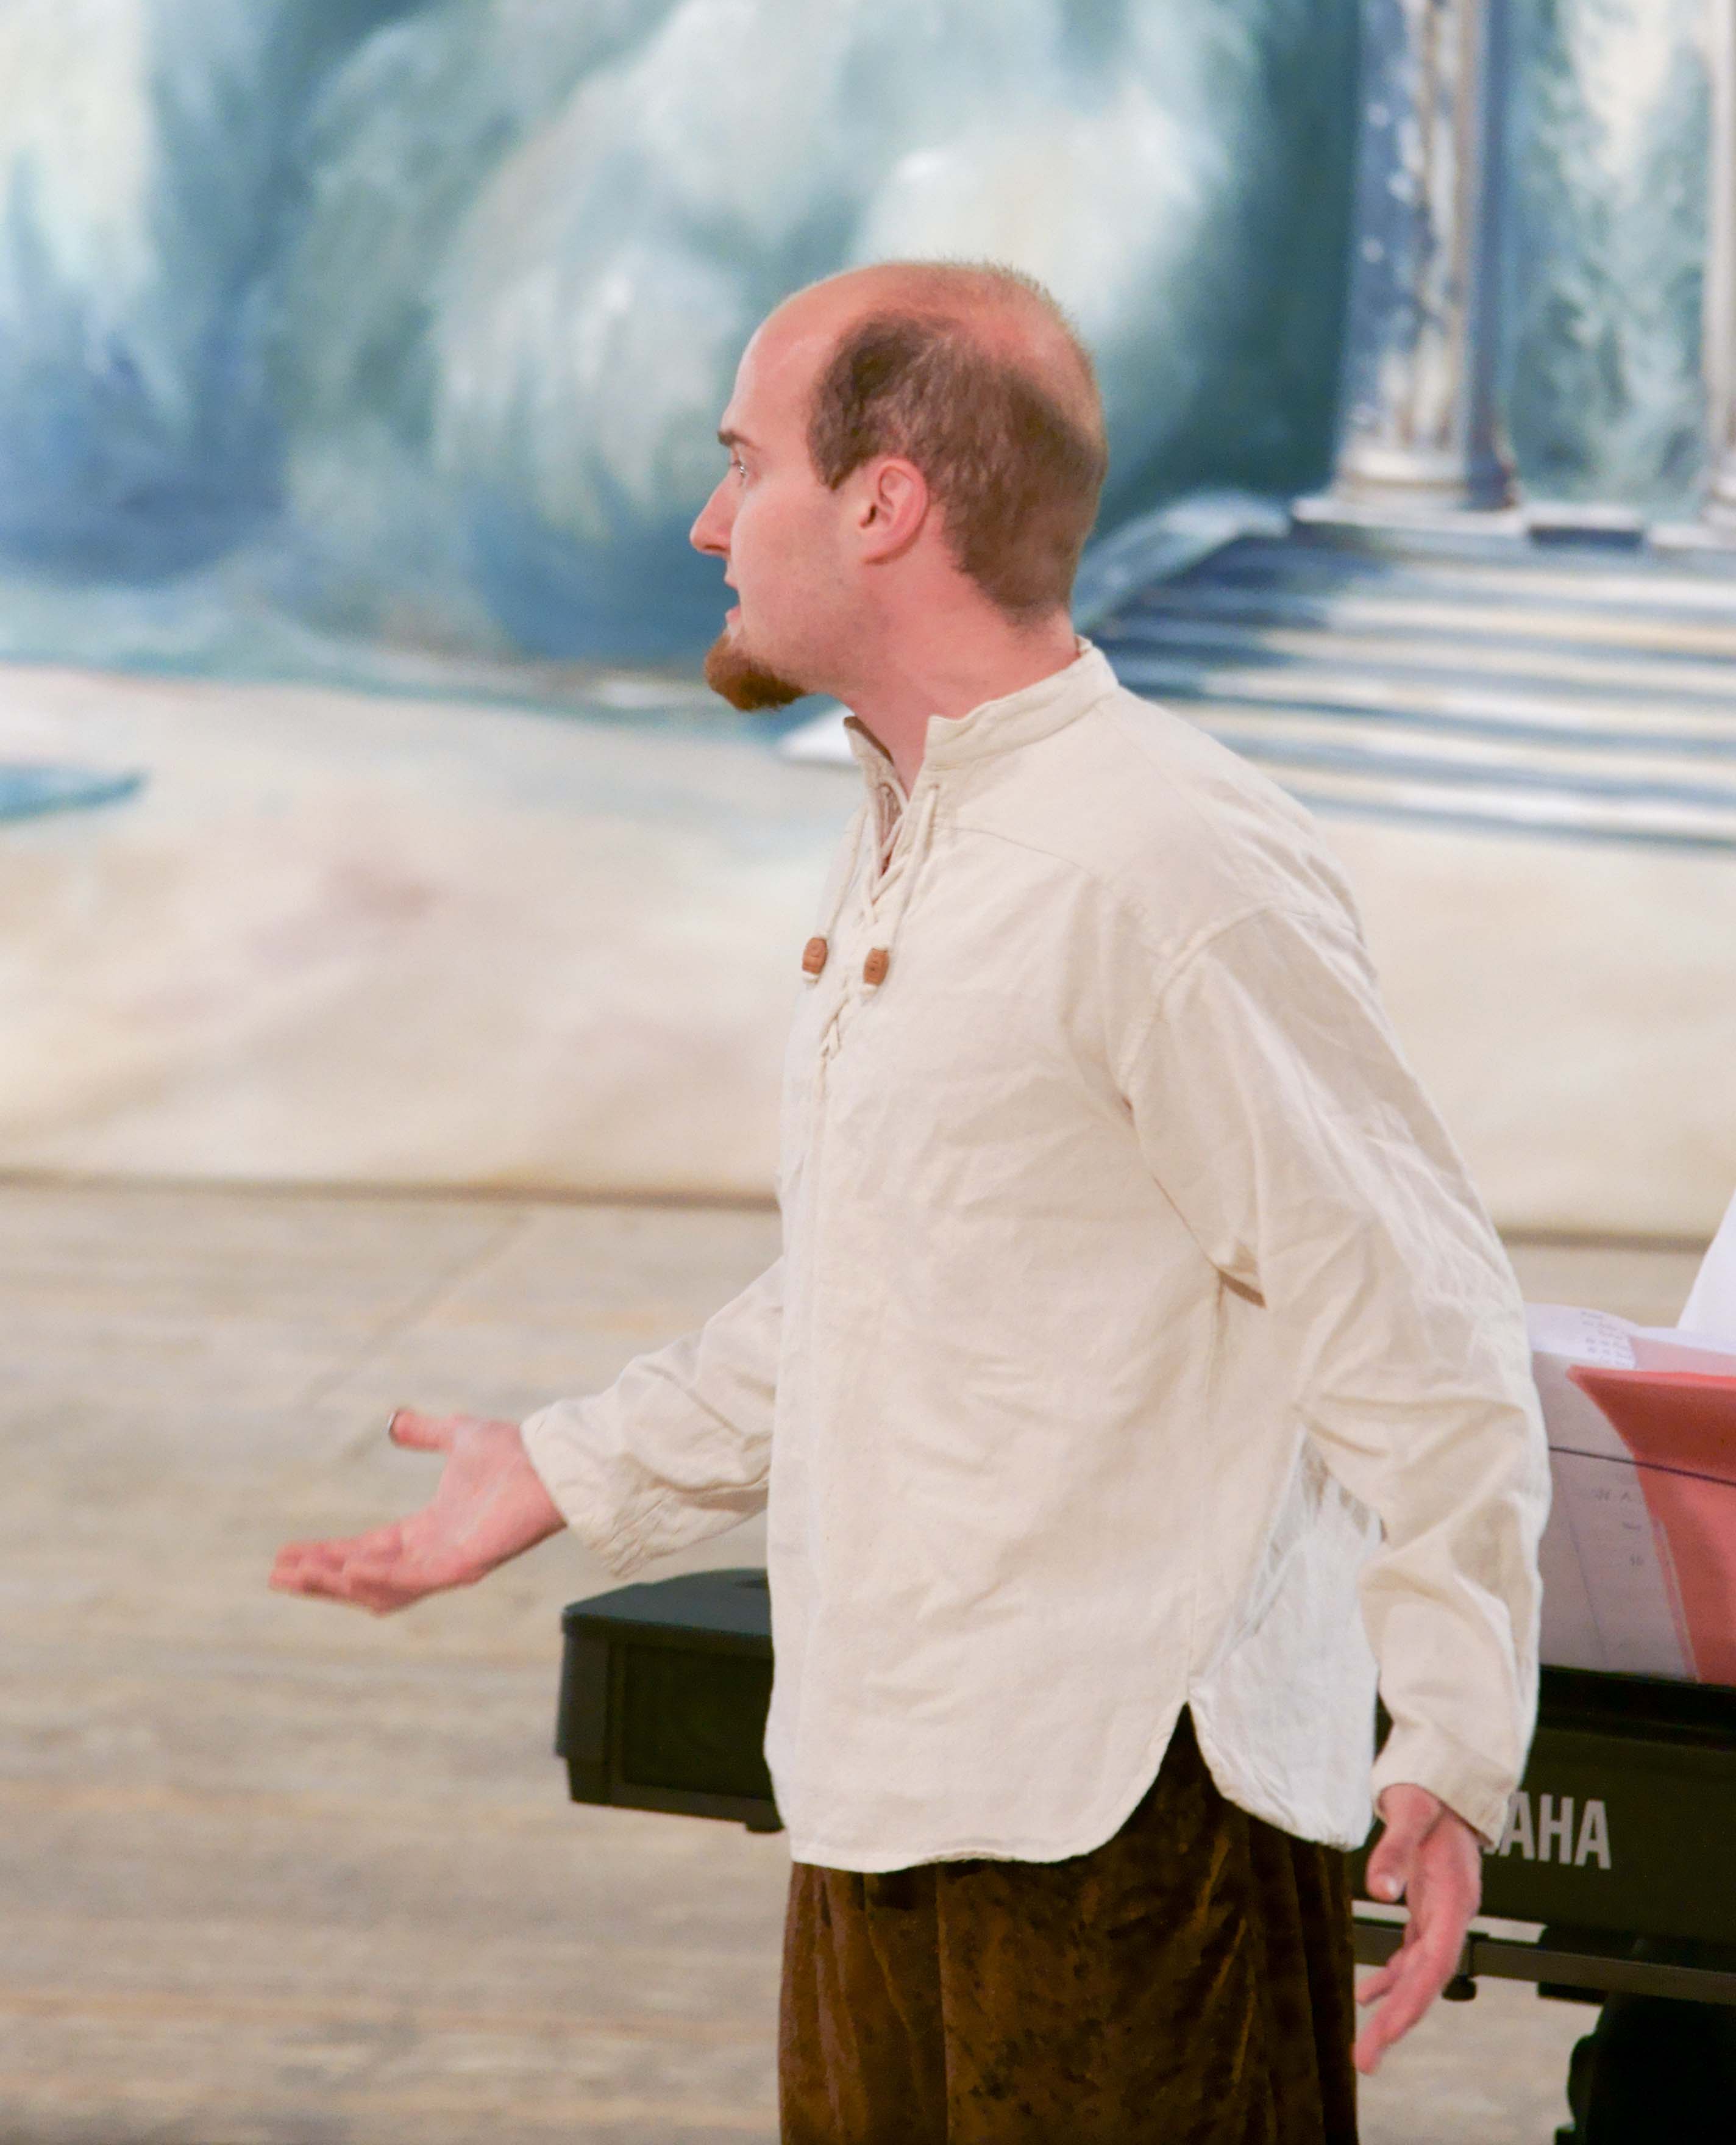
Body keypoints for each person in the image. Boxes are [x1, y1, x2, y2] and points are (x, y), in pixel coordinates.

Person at [272, 260, 1548, 2144]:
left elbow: (1415, 1321)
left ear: (885, 503)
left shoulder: (1165, 864)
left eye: (745, 465)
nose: (710, 523)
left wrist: (1452, 1732)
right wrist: (561, 1467)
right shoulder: (914, 835)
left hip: (1131, 1830)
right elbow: (896, 1275)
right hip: (892, 1796)